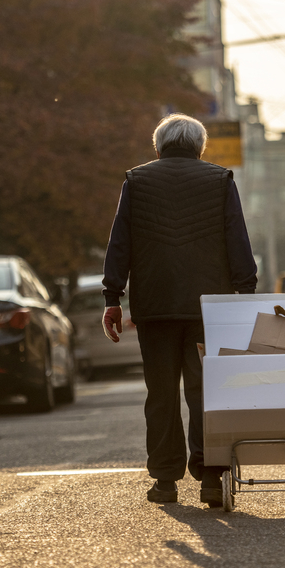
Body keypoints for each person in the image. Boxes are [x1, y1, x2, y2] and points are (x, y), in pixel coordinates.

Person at [101, 113, 258, 507]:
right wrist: (246, 291)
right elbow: (237, 237)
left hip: (154, 307)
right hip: (209, 309)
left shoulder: (136, 181)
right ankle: (210, 478)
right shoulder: (220, 180)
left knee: (162, 394)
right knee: (206, 392)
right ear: (200, 147)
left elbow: (119, 242)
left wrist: (112, 298)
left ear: (158, 147)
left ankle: (166, 481)